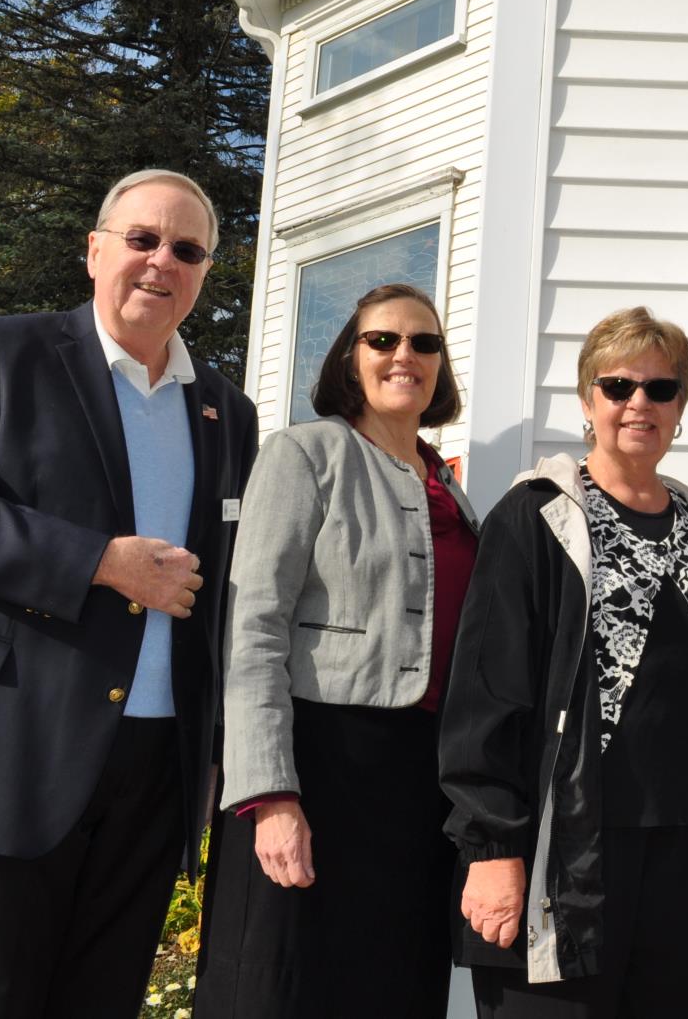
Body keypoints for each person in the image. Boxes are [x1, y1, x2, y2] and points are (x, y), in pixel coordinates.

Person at [0, 170, 259, 1018]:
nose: (162, 260)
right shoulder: (3, 350)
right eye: (142, 239)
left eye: (188, 249)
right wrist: (100, 561)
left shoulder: (227, 414)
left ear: (204, 274)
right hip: (7, 751)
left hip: (151, 774)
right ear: (95, 250)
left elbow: (227, 591)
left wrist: (209, 751)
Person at [442, 306, 688, 1019]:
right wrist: (492, 845)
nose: (639, 403)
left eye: (662, 389)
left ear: (681, 407)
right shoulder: (537, 517)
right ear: (587, 398)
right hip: (568, 851)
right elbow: (486, 691)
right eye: (619, 385)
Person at [195, 283, 478, 1017]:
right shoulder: (304, 453)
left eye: (423, 342)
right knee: (283, 985)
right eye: (382, 339)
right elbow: (254, 625)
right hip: (319, 764)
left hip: (422, 785)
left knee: (394, 985)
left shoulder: (446, 485)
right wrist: (271, 794)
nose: (403, 354)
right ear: (350, 359)